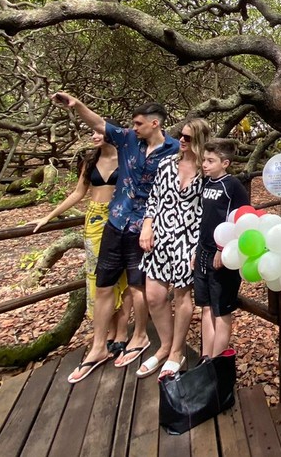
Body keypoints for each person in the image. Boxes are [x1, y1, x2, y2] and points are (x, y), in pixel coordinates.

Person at [51, 92, 179, 384]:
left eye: (138, 123)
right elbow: (99, 123)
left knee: (138, 286)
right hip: (116, 220)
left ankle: (140, 336)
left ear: (155, 123)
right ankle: (98, 347)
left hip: (145, 228)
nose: (134, 127)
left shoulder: (174, 150)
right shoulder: (128, 140)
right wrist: (77, 105)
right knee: (104, 285)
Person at [29, 132, 132, 354]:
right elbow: (78, 193)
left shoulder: (127, 159)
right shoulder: (90, 161)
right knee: (98, 275)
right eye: (92, 132)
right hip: (94, 218)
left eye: (99, 132)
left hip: (120, 217)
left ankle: (121, 331)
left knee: (122, 274)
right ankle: (107, 332)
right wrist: (49, 216)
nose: (94, 136)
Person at [136, 118, 212, 379]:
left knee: (182, 296)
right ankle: (165, 346)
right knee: (154, 296)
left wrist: (200, 248)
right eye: (181, 135)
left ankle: (176, 352)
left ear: (199, 140)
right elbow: (154, 198)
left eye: (188, 137)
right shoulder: (167, 163)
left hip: (189, 239)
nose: (181, 140)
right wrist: (147, 226)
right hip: (161, 235)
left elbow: (210, 211)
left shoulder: (206, 171)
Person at [193, 138, 250, 359]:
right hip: (203, 252)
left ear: (225, 163)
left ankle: (217, 362)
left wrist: (222, 249)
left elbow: (240, 220)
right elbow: (204, 219)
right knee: (206, 307)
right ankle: (206, 358)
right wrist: (197, 251)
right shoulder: (206, 183)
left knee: (221, 310)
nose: (205, 164)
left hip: (222, 256)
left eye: (210, 161)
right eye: (204, 160)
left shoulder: (232, 186)